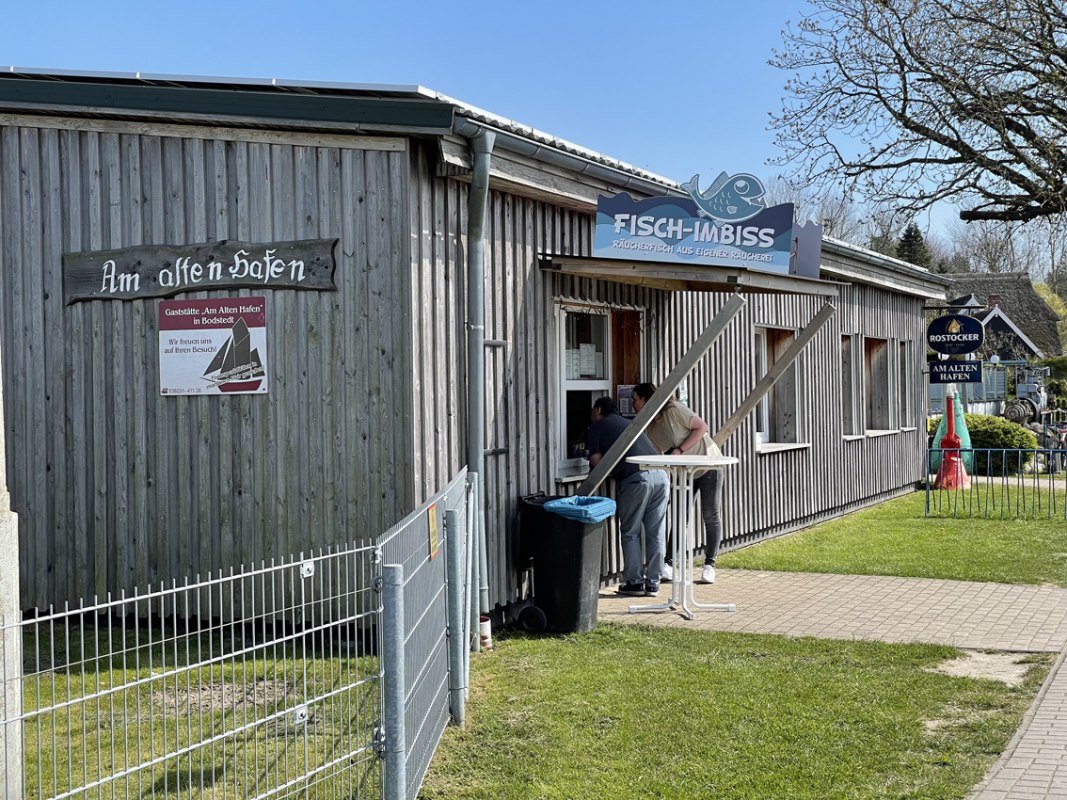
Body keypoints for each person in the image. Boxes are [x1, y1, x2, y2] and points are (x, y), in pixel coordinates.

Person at [631, 382, 723, 584]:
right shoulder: (651, 426)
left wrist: (680, 450)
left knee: (710, 514)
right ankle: (669, 564)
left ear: (646, 399)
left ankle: (709, 565)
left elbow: (702, 427)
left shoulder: (674, 409)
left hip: (708, 464)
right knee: (680, 516)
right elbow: (657, 451)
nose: (632, 404)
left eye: (635, 399)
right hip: (683, 472)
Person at [585, 396, 669, 597]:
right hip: (661, 475)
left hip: (636, 479)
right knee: (656, 532)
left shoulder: (597, 427)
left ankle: (635, 583)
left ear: (598, 410)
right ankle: (654, 584)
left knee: (631, 532)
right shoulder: (630, 423)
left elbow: (597, 463)